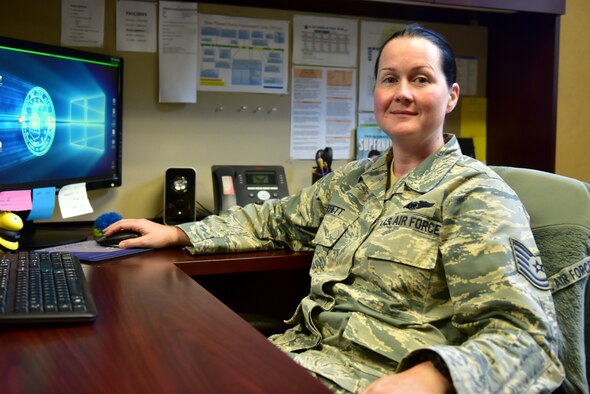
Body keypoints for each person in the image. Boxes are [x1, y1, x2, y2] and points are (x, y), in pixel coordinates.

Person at [104, 24, 564, 393]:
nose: (402, 92)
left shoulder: (475, 194)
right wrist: (182, 233)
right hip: (296, 359)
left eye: (420, 79)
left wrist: (434, 378)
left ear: (452, 95)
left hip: (376, 380)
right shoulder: (354, 180)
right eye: (389, 79)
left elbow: (528, 341)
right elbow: (272, 220)